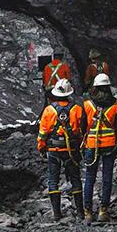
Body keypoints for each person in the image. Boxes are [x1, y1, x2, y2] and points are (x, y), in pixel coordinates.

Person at [36, 79, 85, 221]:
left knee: (53, 180)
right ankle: (81, 212)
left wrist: (41, 147)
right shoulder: (77, 109)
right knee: (76, 179)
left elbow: (43, 132)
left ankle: (57, 214)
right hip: (71, 150)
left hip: (53, 149)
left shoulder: (49, 110)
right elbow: (80, 132)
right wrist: (80, 147)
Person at [80, 73, 117, 223]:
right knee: (107, 178)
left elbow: (83, 127)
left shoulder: (87, 105)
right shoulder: (116, 106)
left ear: (95, 87)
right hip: (110, 145)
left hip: (91, 145)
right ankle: (103, 211)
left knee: (89, 178)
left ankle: (87, 213)